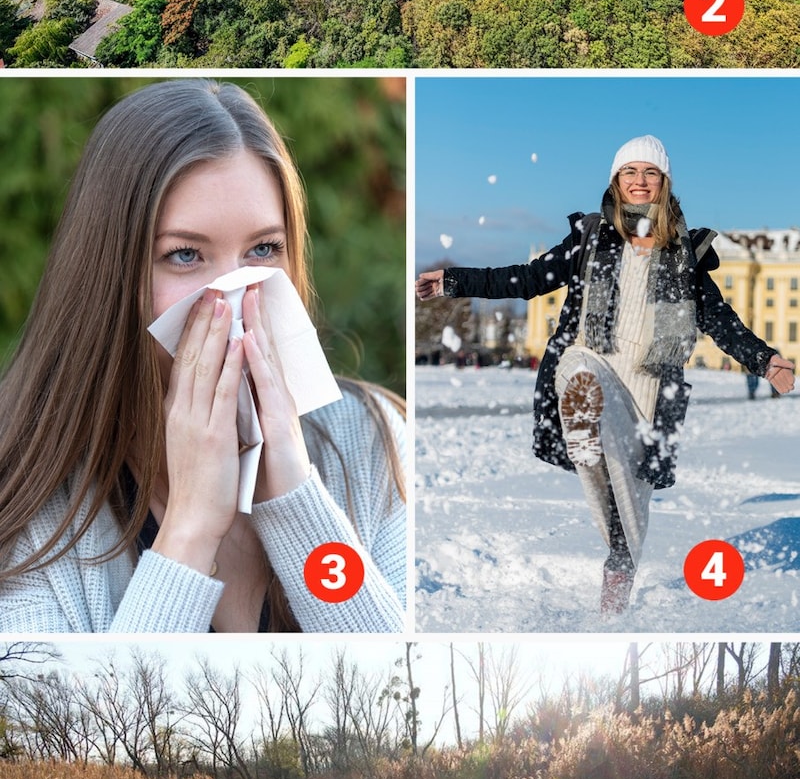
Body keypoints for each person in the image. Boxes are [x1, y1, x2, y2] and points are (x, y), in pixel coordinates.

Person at [0, 80, 405, 634]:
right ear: (112, 278)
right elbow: (92, 719)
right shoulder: (27, 508)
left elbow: (399, 679)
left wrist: (297, 503)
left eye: (263, 250)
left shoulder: (372, 443)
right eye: (185, 255)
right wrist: (188, 531)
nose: (231, 296)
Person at [416, 137, 794, 618]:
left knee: (627, 521)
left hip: (648, 396)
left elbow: (720, 320)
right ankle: (583, 424)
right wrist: (454, 281)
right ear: (615, 181)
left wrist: (765, 361)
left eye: (649, 173)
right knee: (581, 376)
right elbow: (528, 279)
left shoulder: (686, 254)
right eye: (629, 172)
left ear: (663, 182)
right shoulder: (590, 237)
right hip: (589, 363)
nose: (639, 181)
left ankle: (612, 610)